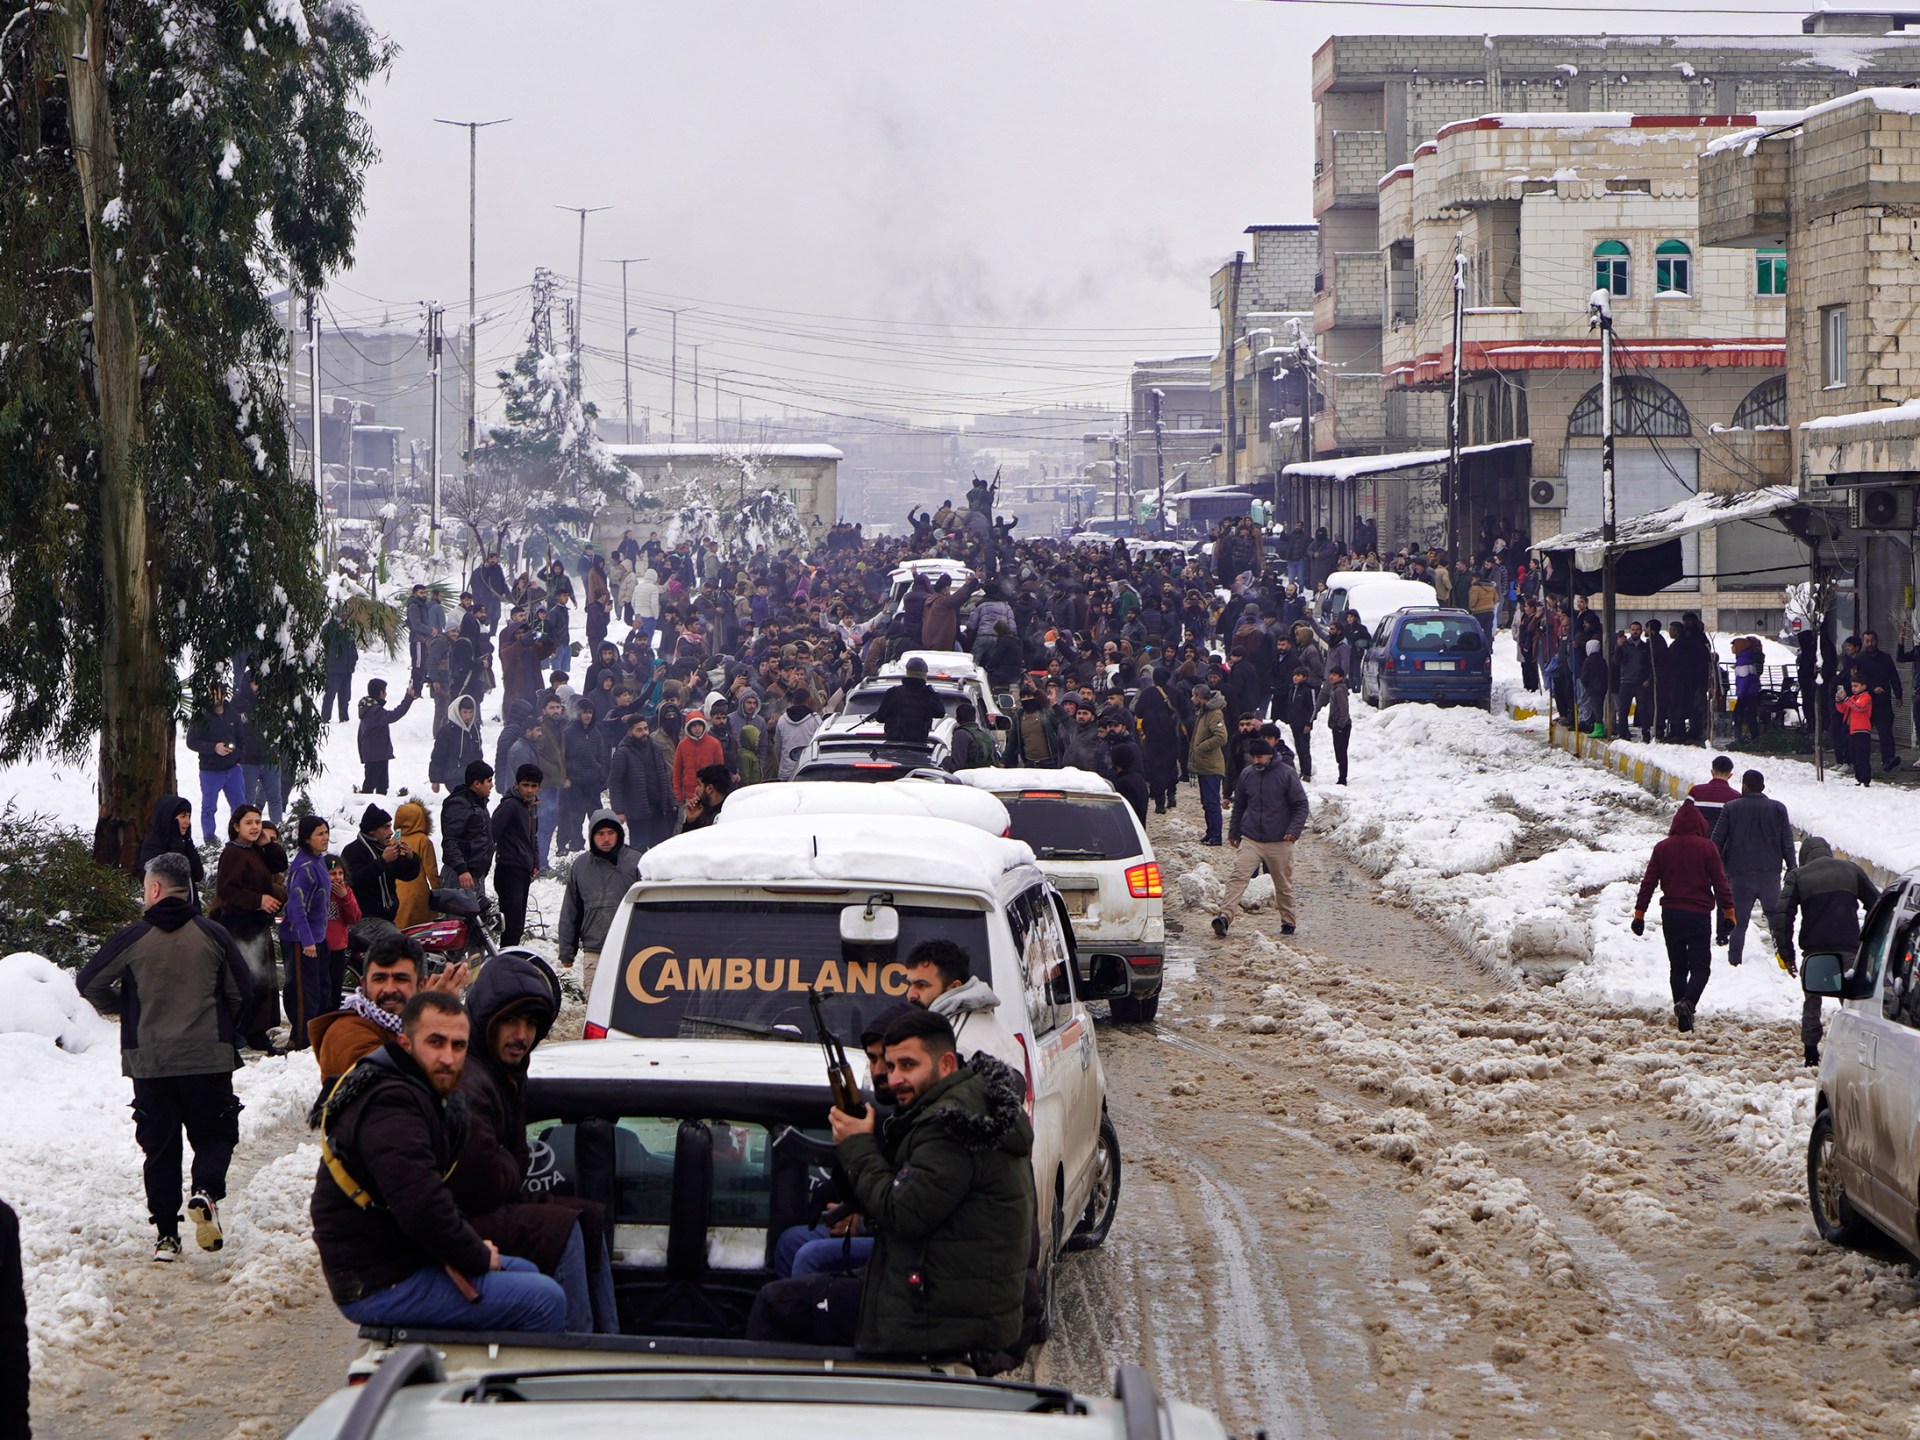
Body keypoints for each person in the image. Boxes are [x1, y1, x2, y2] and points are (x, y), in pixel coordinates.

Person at [308, 991, 566, 1332]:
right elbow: (422, 1206)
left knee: (527, 1272)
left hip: (402, 1258)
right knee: (544, 1299)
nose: (448, 1057)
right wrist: (475, 1254)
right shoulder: (391, 1106)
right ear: (405, 1044)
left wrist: (468, 1248)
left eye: (458, 1046)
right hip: (377, 1281)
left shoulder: (422, 1094)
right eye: (435, 1042)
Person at [829, 1008, 1035, 1359]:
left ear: (946, 1064)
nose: (894, 1079)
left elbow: (902, 1213)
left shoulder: (950, 1125)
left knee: (779, 1304)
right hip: (950, 1308)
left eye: (908, 1065)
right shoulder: (965, 1105)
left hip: (937, 1323)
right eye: (890, 1066)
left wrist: (858, 1145)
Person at [78, 852, 253, 1262]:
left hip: (151, 1061)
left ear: (155, 888)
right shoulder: (213, 934)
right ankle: (205, 1192)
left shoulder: (133, 937)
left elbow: (89, 983)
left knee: (160, 1147)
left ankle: (166, 1237)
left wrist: (129, 1008)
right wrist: (222, 1025)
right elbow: (242, 992)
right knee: (215, 1134)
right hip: (207, 1057)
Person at [450, 955, 616, 1334]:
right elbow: (483, 1180)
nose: (521, 1035)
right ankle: (573, 1349)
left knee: (587, 1219)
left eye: (530, 1024)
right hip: (462, 1220)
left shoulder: (504, 1073)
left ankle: (609, 1343)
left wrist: (510, 1162)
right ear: (487, 1020)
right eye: (511, 1021)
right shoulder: (470, 1080)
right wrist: (512, 1163)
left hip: (487, 1208)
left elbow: (510, 1160)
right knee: (562, 1230)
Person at [1771, 836, 1881, 1066]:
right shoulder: (1851, 869)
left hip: (1815, 951)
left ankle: (1811, 1052)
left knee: (1812, 1001)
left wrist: (1787, 954)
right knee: (1851, 1002)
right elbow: (1878, 905)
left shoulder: (1799, 876)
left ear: (1805, 857)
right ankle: (1856, 1051)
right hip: (1849, 947)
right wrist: (1870, 944)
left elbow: (1783, 916)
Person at [1632, 800, 1736, 1033]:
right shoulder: (1708, 848)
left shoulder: (1662, 848)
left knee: (1677, 968)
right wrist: (1729, 913)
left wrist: (1639, 914)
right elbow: (1721, 883)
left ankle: (1682, 1014)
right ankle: (1688, 1004)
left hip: (1671, 915)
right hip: (1698, 916)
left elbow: (1649, 883)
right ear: (1700, 825)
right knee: (1701, 968)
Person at [308, 934, 466, 1084]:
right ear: (364, 984)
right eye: (379, 979)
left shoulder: (407, 1023)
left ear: (421, 986)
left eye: (401, 979)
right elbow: (385, 1086)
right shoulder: (345, 1030)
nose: (389, 989)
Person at [1212, 737, 1308, 940]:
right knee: (1238, 877)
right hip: (1252, 838)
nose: (1256, 761)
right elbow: (1240, 806)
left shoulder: (1286, 774)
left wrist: (1293, 831)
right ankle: (1224, 917)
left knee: (1282, 884)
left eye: (1260, 757)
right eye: (1253, 757)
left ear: (1270, 756)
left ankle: (1288, 922)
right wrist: (1234, 832)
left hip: (1280, 840)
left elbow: (1301, 805)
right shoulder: (1247, 774)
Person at [208, 804, 286, 1052]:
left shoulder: (255, 850)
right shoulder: (233, 853)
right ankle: (237, 1033)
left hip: (257, 926)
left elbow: (279, 863)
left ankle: (253, 1032)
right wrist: (258, 900)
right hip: (239, 928)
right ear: (236, 826)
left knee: (260, 983)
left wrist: (267, 843)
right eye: (248, 823)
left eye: (258, 822)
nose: (254, 827)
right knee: (246, 984)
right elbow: (228, 891)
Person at [901, 937, 1026, 1074]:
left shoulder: (952, 1042)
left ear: (954, 987)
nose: (910, 995)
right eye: (909, 984)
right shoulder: (988, 1024)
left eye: (921, 985)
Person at [1710, 770, 1796, 969]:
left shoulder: (1731, 808)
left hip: (1739, 873)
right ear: (1763, 787)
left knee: (1739, 921)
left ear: (1744, 786)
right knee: (1775, 919)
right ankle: (1784, 959)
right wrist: (1792, 867)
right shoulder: (1778, 809)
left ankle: (1734, 961)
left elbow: (1716, 841)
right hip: (1770, 873)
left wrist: (1713, 868)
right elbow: (1787, 841)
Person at [556, 812, 643, 978]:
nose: (606, 839)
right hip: (595, 950)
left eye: (611, 833)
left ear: (619, 834)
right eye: (600, 834)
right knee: (594, 994)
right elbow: (571, 910)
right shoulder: (581, 866)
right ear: (592, 836)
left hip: (632, 950)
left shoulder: (636, 862)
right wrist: (567, 951)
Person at [282, 814, 335, 1048]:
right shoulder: (304, 868)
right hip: (301, 939)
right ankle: (301, 1040)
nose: (325, 838)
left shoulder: (319, 861)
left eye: (326, 832)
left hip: (318, 937)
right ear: (306, 838)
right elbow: (296, 907)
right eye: (319, 834)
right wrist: (306, 940)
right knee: (305, 993)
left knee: (322, 989)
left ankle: (315, 1036)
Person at [340, 803, 422, 925]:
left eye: (391, 827)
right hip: (363, 919)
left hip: (387, 918)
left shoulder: (385, 849)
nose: (391, 832)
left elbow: (407, 875)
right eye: (386, 827)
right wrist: (382, 862)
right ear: (371, 830)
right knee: (397, 938)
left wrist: (411, 858)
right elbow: (354, 881)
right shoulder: (352, 851)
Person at [185, 683, 246, 843]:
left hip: (233, 770)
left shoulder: (232, 713)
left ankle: (240, 837)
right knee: (209, 808)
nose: (215, 698)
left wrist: (237, 757)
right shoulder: (201, 715)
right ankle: (209, 840)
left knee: (240, 807)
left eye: (219, 694)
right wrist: (213, 748)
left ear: (224, 695)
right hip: (210, 771)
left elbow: (241, 738)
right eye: (212, 694)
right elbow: (191, 741)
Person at [491, 765, 543, 947]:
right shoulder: (510, 805)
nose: (529, 790)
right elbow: (492, 832)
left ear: (539, 788)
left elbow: (532, 837)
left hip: (523, 870)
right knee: (511, 925)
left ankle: (510, 955)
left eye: (533, 786)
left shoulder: (531, 806)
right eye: (525, 785)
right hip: (508, 869)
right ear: (517, 785)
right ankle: (506, 957)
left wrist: (535, 862)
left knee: (517, 925)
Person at [609, 713, 676, 853]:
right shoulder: (623, 753)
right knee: (638, 850)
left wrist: (671, 800)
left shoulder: (655, 748)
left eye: (645, 728)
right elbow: (615, 783)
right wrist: (619, 810)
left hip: (658, 808)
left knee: (660, 849)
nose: (644, 732)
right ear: (630, 731)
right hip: (637, 811)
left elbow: (663, 776)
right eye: (639, 730)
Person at [440, 761, 497, 898]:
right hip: (460, 876)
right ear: (477, 783)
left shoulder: (479, 804)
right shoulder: (459, 805)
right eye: (489, 781)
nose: (492, 785)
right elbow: (450, 841)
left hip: (475, 875)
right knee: (459, 912)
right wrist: (461, 869)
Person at [138, 794, 205, 908]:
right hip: (164, 911)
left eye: (189, 816)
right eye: (183, 816)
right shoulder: (153, 845)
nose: (187, 822)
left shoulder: (185, 843)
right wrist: (175, 846)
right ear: (169, 819)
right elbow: (168, 879)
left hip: (189, 910)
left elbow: (198, 874)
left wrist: (188, 843)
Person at [1853, 629, 1904, 773]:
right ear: (1864, 642)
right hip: (1865, 703)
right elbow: (1857, 679)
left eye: (1872, 641)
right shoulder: (1859, 660)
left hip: (1883, 701)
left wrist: (1898, 695)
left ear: (1877, 641)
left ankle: (1888, 759)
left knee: (1885, 731)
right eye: (1867, 641)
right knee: (1862, 733)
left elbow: (1894, 677)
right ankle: (1860, 761)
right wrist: (1871, 688)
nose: (1870, 644)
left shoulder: (1885, 658)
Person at [355, 678, 417, 795]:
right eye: (385, 691)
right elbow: (394, 715)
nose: (386, 694)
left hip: (376, 754)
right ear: (381, 693)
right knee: (372, 785)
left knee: (381, 784)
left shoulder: (368, 709)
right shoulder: (374, 711)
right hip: (376, 755)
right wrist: (408, 699)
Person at [390, 799, 442, 930]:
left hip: (394, 893)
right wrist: (439, 893)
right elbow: (431, 870)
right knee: (420, 931)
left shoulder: (394, 840)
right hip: (418, 894)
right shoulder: (423, 840)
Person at [873, 655, 945, 746]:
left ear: (907, 672)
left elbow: (880, 718)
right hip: (919, 745)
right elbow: (940, 713)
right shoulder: (930, 694)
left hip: (893, 744)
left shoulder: (893, 693)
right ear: (924, 674)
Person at [1188, 686, 1227, 844]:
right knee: (1207, 802)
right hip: (1204, 766)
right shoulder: (1203, 712)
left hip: (1211, 767)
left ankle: (1216, 836)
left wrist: (1201, 747)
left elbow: (1221, 737)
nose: (1192, 699)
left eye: (1193, 696)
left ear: (1199, 697)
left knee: (1211, 803)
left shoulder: (1214, 713)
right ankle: (1210, 832)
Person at [429, 694, 486, 793]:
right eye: (465, 712)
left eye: (471, 712)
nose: (468, 716)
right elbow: (438, 756)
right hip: (453, 776)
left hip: (472, 775)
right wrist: (435, 780)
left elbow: (478, 753)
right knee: (465, 797)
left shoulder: (474, 730)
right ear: (458, 712)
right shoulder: (447, 731)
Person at [673, 713, 726, 816]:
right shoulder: (682, 745)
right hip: (689, 796)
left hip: (710, 794)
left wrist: (719, 792)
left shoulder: (714, 744)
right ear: (688, 727)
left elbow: (720, 771)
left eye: (699, 725)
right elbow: (677, 772)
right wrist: (678, 794)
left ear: (704, 725)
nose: (697, 729)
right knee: (690, 822)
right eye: (694, 726)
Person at [1837, 674, 1876, 786]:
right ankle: (1859, 778)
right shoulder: (1852, 698)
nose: (1853, 688)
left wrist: (1846, 699)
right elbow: (1843, 709)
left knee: (1862, 756)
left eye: (1856, 686)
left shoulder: (1866, 697)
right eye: (1852, 686)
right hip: (1852, 730)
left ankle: (1865, 779)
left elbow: (1860, 707)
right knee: (1854, 756)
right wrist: (1839, 700)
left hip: (1862, 730)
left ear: (1863, 686)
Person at [1686, 755, 1740, 832]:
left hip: (1698, 837)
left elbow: (1685, 815)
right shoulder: (1736, 797)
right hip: (1723, 839)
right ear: (1730, 776)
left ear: (1712, 772)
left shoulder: (1696, 791)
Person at [1322, 666, 1352, 786]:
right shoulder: (1335, 689)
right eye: (1331, 674)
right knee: (1339, 752)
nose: (1331, 677)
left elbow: (1344, 710)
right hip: (1337, 726)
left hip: (1342, 727)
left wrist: (1340, 726)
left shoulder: (1339, 690)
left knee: (1341, 753)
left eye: (1334, 675)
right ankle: (1341, 776)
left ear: (1341, 677)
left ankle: (1342, 778)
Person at [681, 763, 732, 831]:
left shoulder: (727, 816)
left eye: (699, 784)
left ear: (709, 789)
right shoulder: (701, 810)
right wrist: (690, 821)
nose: (696, 789)